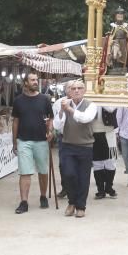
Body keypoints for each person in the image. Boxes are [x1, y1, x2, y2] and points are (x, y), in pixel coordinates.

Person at [52, 79, 98, 218]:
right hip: (68, 145)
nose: (76, 90)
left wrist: (70, 110)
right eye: (73, 88)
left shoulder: (91, 105)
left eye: (79, 88)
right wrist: (61, 112)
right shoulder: (64, 104)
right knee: (69, 174)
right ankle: (72, 202)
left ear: (84, 91)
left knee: (83, 177)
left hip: (85, 146)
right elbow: (57, 126)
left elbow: (85, 118)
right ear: (69, 91)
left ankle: (80, 206)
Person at [11, 71, 53, 213]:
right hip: (24, 140)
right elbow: (15, 121)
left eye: (36, 80)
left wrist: (50, 131)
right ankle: (24, 202)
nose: (35, 82)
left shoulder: (45, 99)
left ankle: (43, 196)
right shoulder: (18, 101)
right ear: (26, 83)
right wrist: (14, 141)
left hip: (41, 140)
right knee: (25, 172)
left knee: (43, 170)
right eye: (32, 80)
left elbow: (50, 118)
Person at [92, 106, 119, 199]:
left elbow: (111, 109)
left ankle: (109, 187)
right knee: (97, 163)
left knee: (111, 163)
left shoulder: (109, 96)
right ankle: (100, 190)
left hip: (109, 132)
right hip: (93, 133)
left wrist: (100, 98)